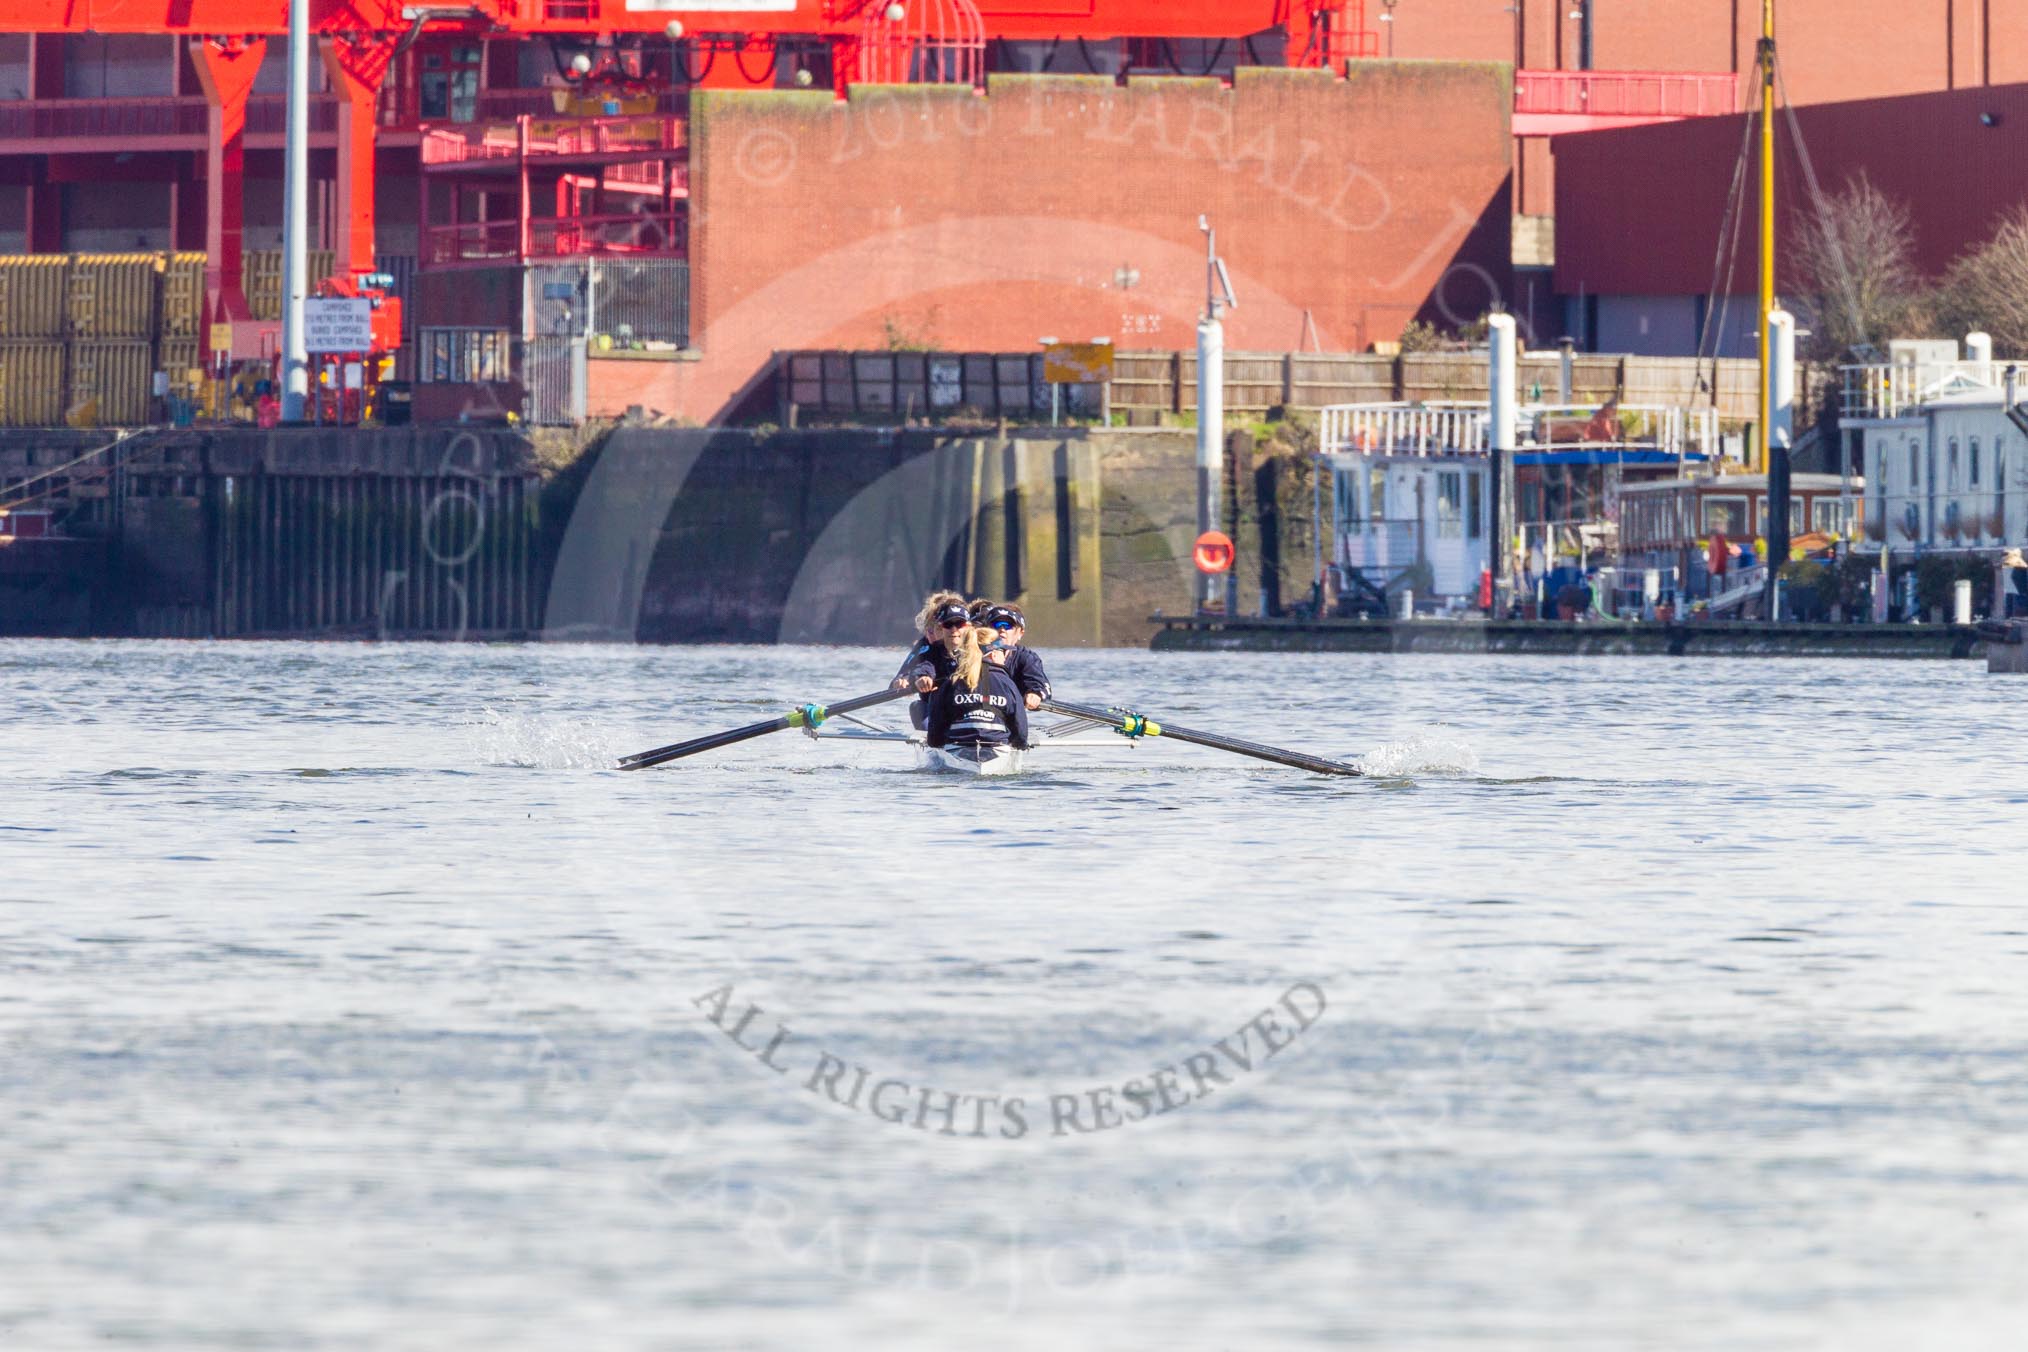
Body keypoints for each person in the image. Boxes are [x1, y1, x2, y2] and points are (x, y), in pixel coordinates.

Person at [925, 620, 1029, 756]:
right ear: (994, 653)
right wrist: (1020, 745)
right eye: (1004, 652)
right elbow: (1020, 731)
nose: (1005, 657)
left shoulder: (951, 682)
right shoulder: (1007, 683)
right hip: (996, 747)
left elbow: (934, 735)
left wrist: (937, 744)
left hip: (956, 748)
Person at [976, 602, 1050, 711]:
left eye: (1008, 625)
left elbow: (1041, 686)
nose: (1002, 629)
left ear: (1020, 633)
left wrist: (1036, 693)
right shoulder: (973, 653)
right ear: (986, 630)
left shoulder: (1026, 658)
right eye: (996, 624)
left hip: (1007, 714)